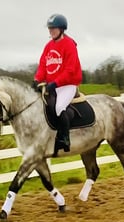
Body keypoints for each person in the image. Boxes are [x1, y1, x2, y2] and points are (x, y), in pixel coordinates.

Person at [33, 14, 82, 151]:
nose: (51, 31)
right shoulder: (48, 46)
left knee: (59, 107)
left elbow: (70, 70)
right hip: (52, 85)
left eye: (53, 29)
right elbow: (43, 65)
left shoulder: (69, 44)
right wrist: (37, 79)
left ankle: (65, 138)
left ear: (61, 29)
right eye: (49, 29)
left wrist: (55, 83)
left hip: (67, 85)